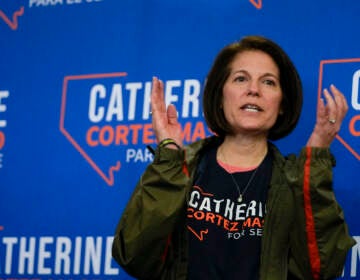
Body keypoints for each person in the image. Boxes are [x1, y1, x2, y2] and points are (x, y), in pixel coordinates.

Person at [112, 35, 355, 280]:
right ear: (220, 96)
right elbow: (134, 257)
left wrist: (316, 160)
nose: (253, 90)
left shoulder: (295, 180)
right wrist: (169, 157)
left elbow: (323, 269)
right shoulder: (181, 168)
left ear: (282, 103)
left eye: (268, 82)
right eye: (241, 79)